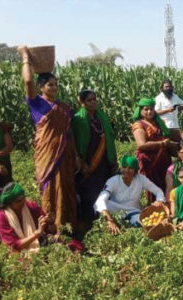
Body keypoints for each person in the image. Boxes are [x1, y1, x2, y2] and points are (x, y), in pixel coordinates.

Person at [18, 45, 77, 229]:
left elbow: (69, 133)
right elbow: (28, 82)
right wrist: (25, 57)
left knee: (66, 187)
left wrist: (75, 155)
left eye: (56, 84)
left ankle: (67, 223)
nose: (54, 87)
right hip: (47, 156)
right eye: (50, 84)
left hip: (64, 155)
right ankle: (50, 226)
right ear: (41, 87)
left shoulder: (65, 108)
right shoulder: (36, 104)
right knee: (49, 188)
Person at [72, 90, 117, 230]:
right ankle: (89, 222)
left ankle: (104, 218)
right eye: (89, 100)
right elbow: (77, 141)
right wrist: (80, 160)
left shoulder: (101, 117)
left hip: (103, 161)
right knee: (88, 193)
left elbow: (109, 136)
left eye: (94, 99)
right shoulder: (78, 119)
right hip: (88, 162)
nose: (93, 102)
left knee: (103, 190)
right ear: (82, 102)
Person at [94, 156, 166, 235]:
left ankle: (133, 223)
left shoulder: (140, 179)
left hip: (133, 211)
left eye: (130, 168)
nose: (126, 171)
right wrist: (110, 220)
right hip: (115, 211)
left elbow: (158, 191)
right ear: (120, 169)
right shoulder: (113, 180)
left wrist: (159, 200)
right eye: (124, 167)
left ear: (135, 171)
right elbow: (100, 200)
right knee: (101, 204)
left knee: (143, 222)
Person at [131, 97, 174, 202]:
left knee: (166, 182)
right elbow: (141, 145)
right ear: (140, 110)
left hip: (163, 159)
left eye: (151, 109)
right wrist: (162, 143)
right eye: (146, 109)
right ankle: (154, 207)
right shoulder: (139, 125)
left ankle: (167, 206)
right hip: (149, 161)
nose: (149, 112)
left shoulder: (158, 122)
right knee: (153, 186)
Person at [0, 182, 53, 253]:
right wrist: (37, 233)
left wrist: (48, 221)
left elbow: (47, 227)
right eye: (18, 201)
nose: (23, 202)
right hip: (16, 252)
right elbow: (14, 245)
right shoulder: (1, 217)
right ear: (9, 203)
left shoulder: (31, 206)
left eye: (23, 198)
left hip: (39, 243)